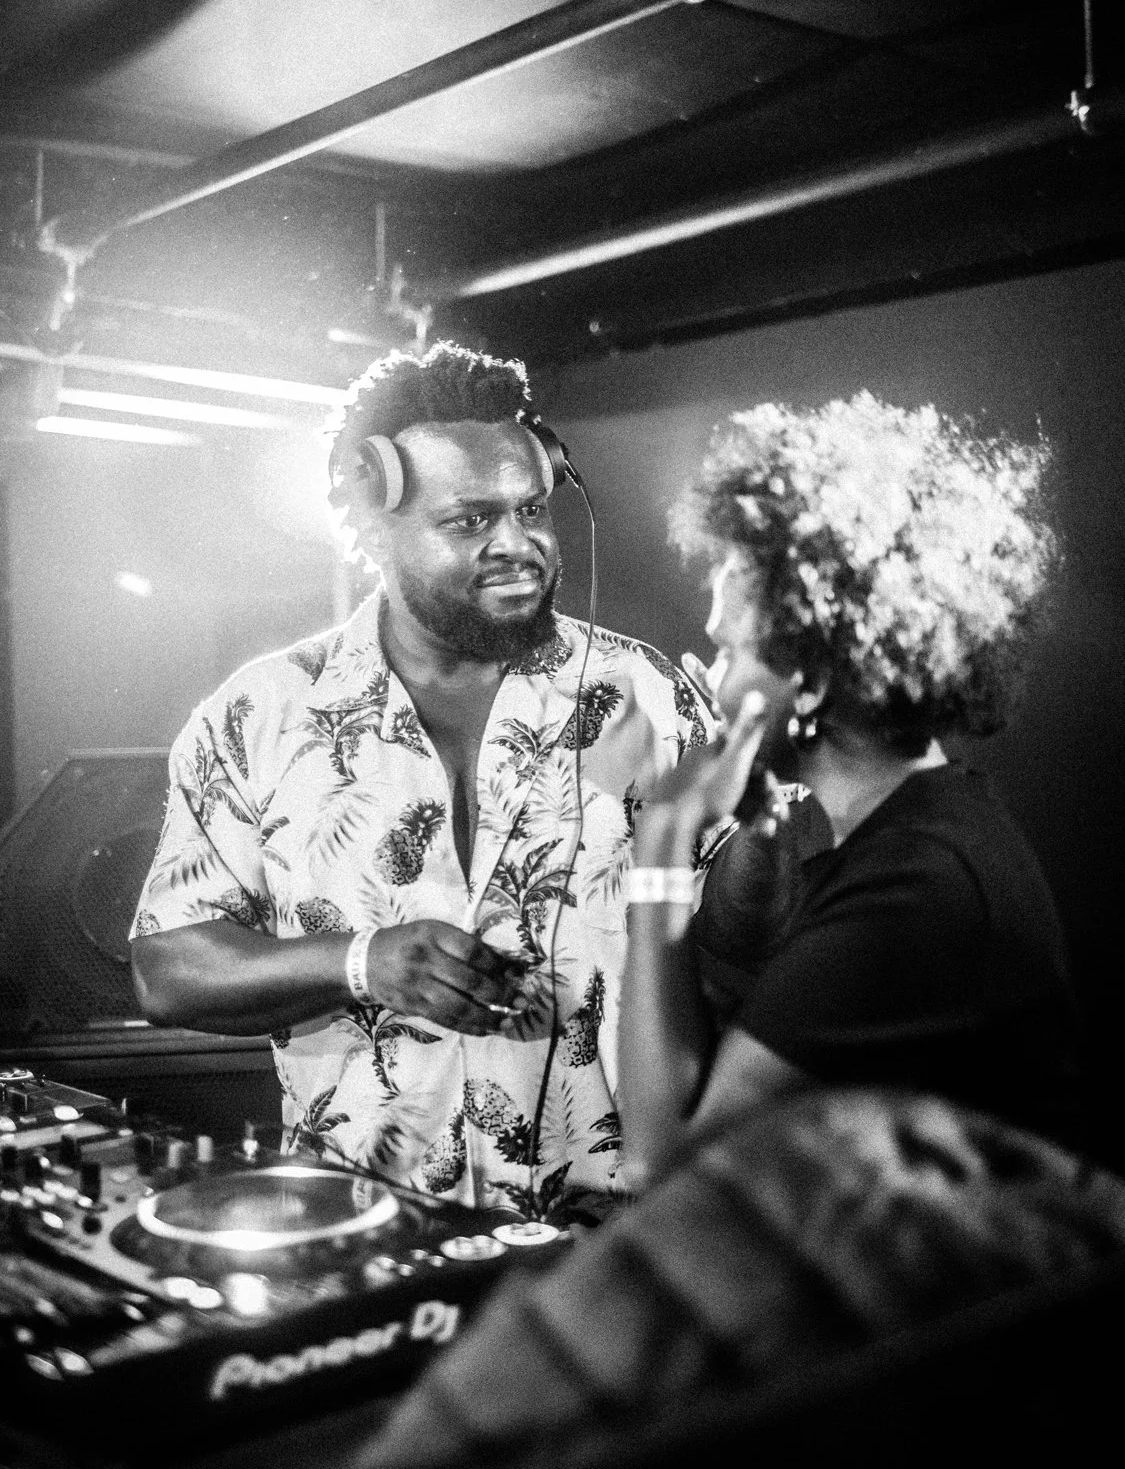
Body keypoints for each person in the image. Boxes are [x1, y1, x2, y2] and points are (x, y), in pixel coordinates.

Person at [130, 341, 708, 1213]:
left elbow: (746, 943)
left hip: (615, 1232)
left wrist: (781, 783)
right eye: (470, 521)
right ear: (369, 524)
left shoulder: (647, 694)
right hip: (366, 1225)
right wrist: (358, 963)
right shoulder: (258, 714)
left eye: (532, 511)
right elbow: (167, 969)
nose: (518, 546)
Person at [617, 390, 1085, 1189]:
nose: (703, 673)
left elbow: (663, 1164)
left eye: (727, 650)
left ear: (807, 683)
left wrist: (662, 835)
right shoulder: (880, 830)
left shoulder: (920, 888)